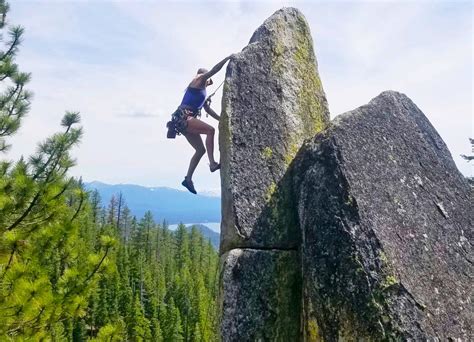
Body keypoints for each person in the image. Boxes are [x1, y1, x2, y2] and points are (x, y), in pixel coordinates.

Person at [169, 55, 232, 194]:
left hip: (182, 121)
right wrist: (228, 58)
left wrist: (222, 119)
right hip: (185, 118)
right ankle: (213, 164)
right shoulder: (199, 80)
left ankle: (188, 179)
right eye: (208, 78)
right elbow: (215, 70)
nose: (210, 81)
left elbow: (208, 109)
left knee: (200, 150)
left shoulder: (201, 91)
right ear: (204, 75)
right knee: (210, 131)